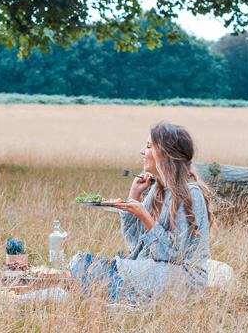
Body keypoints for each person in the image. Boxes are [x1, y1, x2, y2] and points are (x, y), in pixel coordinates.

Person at [69, 122, 213, 301]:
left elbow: (175, 254)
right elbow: (135, 243)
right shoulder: (157, 190)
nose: (142, 151)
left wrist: (145, 216)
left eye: (148, 146)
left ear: (164, 153)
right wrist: (134, 194)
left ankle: (126, 301)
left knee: (98, 271)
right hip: (156, 267)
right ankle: (117, 296)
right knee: (80, 261)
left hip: (183, 276)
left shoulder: (190, 194)